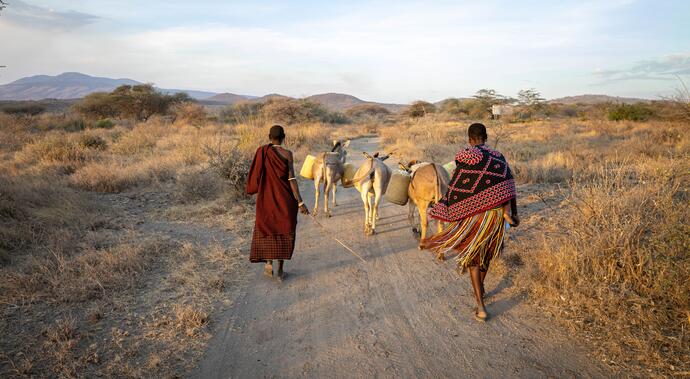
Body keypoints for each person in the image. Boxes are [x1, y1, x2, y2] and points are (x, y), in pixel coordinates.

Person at [421, 123, 519, 321]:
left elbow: (457, 185)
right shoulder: (498, 156)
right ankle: (481, 288)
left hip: (472, 217)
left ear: (469, 139)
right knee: (487, 255)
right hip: (495, 216)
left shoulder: (466, 156)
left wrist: (450, 206)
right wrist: (512, 212)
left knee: (473, 259)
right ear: (486, 136)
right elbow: (507, 182)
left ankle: (481, 306)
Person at [246, 125, 309, 281]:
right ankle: (280, 270)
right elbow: (292, 179)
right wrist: (300, 203)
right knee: (283, 230)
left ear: (269, 137)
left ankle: (268, 262)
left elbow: (255, 178)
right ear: (284, 137)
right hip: (285, 200)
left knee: (267, 228)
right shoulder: (287, 154)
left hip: (265, 200)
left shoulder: (261, 152)